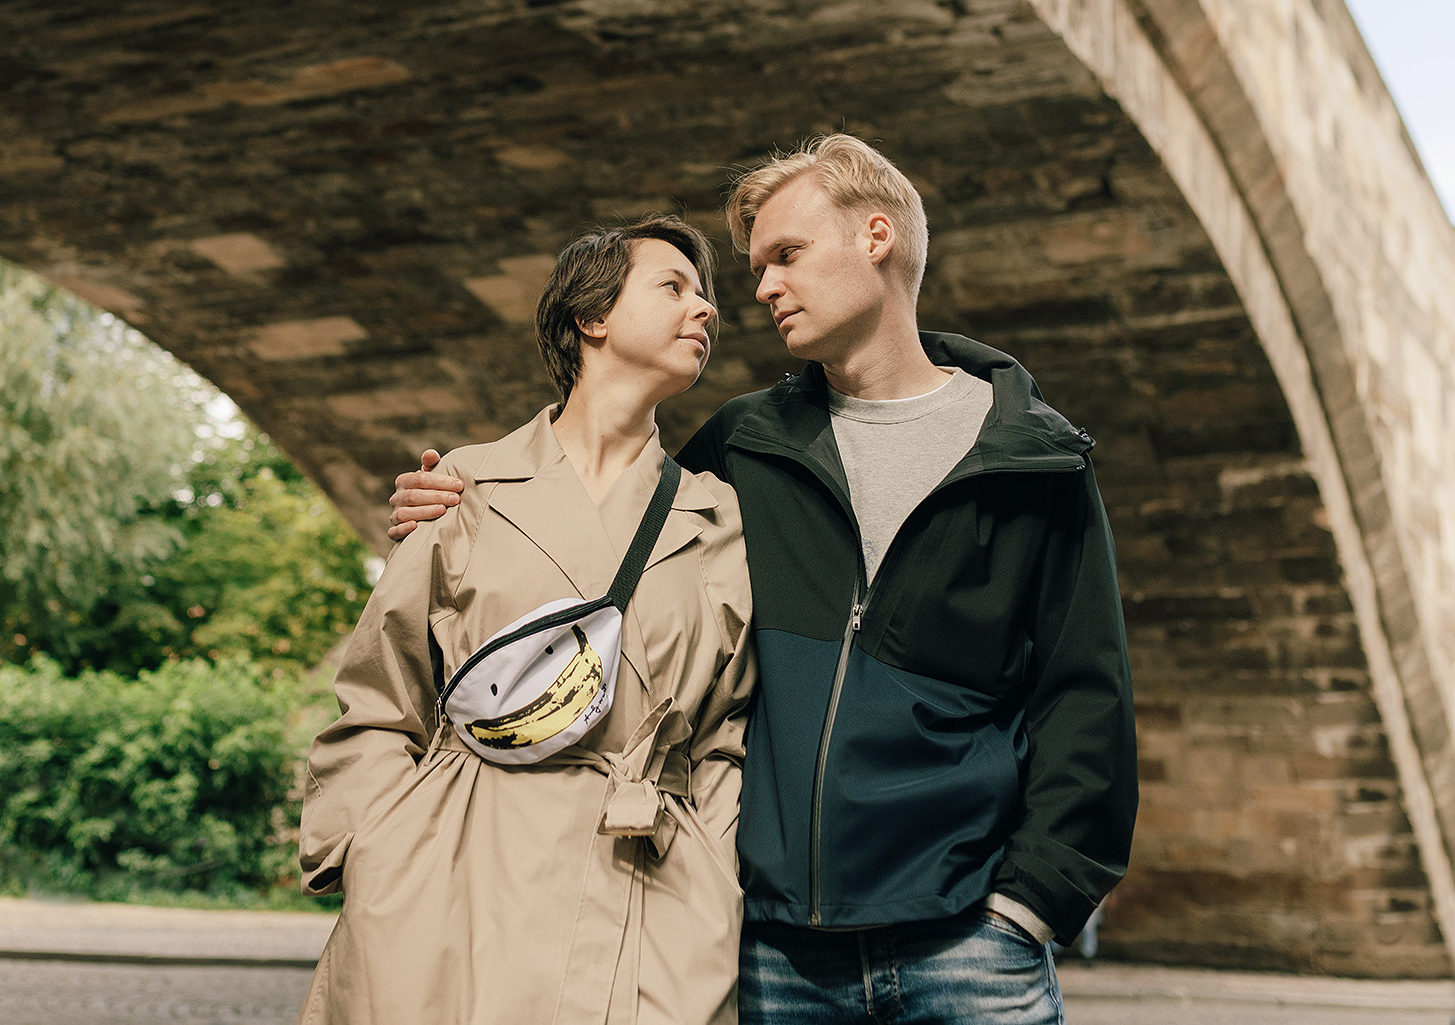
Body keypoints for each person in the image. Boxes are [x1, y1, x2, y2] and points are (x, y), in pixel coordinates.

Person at [390, 135, 1136, 1024]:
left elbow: (1084, 697)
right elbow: (591, 555)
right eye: (755, 268)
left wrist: (1029, 907)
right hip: (775, 954)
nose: (761, 288)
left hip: (968, 947)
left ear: (876, 236)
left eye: (787, 255)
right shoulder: (744, 445)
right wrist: (462, 499)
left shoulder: (1034, 460)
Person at [299, 216, 755, 1025]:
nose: (707, 311)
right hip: (451, 882)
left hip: (651, 893)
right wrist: (376, 852)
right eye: (674, 288)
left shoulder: (713, 513)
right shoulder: (467, 488)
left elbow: (726, 735)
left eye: (707, 296)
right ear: (594, 316)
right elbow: (380, 694)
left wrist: (713, 881)